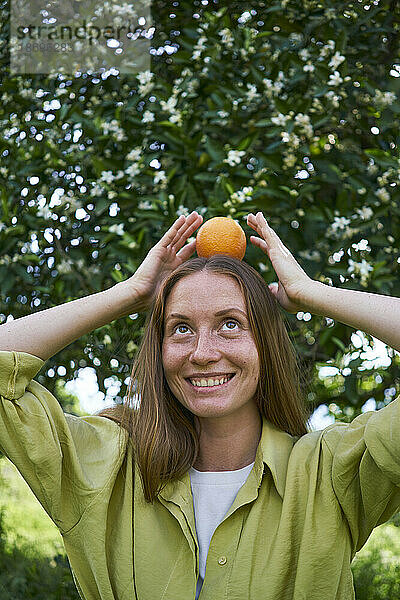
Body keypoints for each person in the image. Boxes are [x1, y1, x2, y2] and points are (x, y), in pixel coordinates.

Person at [0, 210, 399, 600]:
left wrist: (312, 293)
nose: (203, 353)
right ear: (159, 351)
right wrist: (129, 295)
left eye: (230, 324)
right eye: (181, 328)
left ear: (266, 344)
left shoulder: (332, 474)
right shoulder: (106, 467)